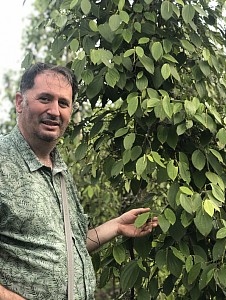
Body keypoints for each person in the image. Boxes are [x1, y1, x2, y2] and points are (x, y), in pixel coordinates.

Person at [0, 62, 158, 299]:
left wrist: (116, 226)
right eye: (45, 98)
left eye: (63, 103)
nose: (55, 111)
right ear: (20, 102)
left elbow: (69, 247)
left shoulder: (59, 170)